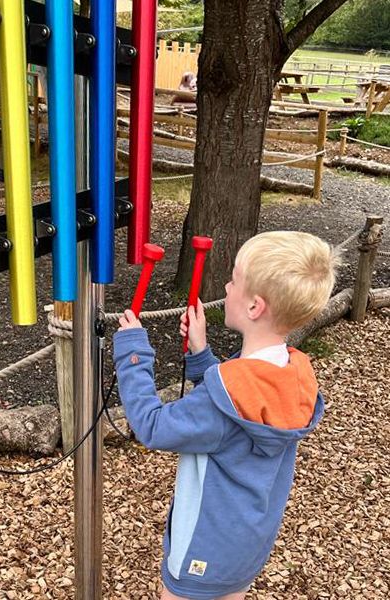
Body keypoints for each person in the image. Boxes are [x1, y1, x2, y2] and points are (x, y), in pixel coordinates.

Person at [113, 231, 339, 600]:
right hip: (244, 549)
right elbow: (240, 400)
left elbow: (152, 427)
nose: (226, 286)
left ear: (254, 307)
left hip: (201, 557)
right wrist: (203, 357)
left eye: (234, 280)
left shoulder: (224, 403)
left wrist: (133, 352)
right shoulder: (293, 374)